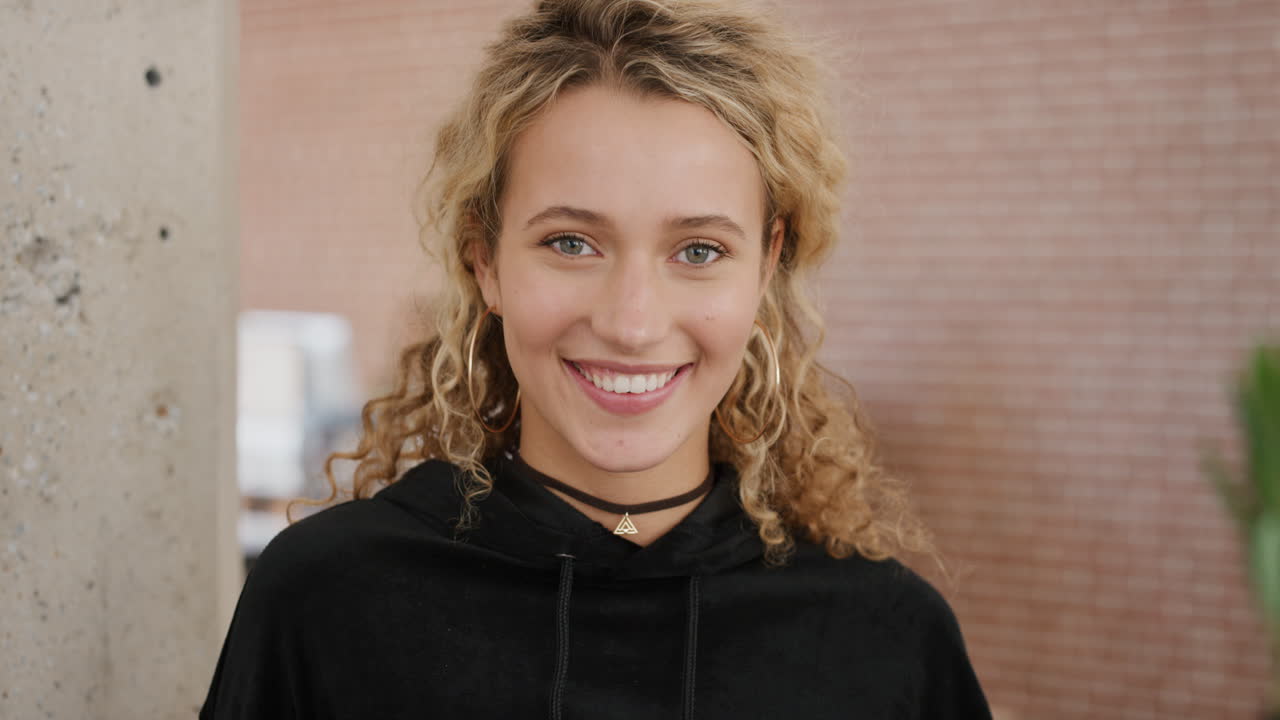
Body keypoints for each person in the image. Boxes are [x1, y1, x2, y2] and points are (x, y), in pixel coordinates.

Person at [200, 0, 994, 717]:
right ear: (485, 259)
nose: (632, 322)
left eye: (699, 249)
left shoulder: (888, 642)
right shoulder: (326, 603)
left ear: (767, 264)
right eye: (571, 243)